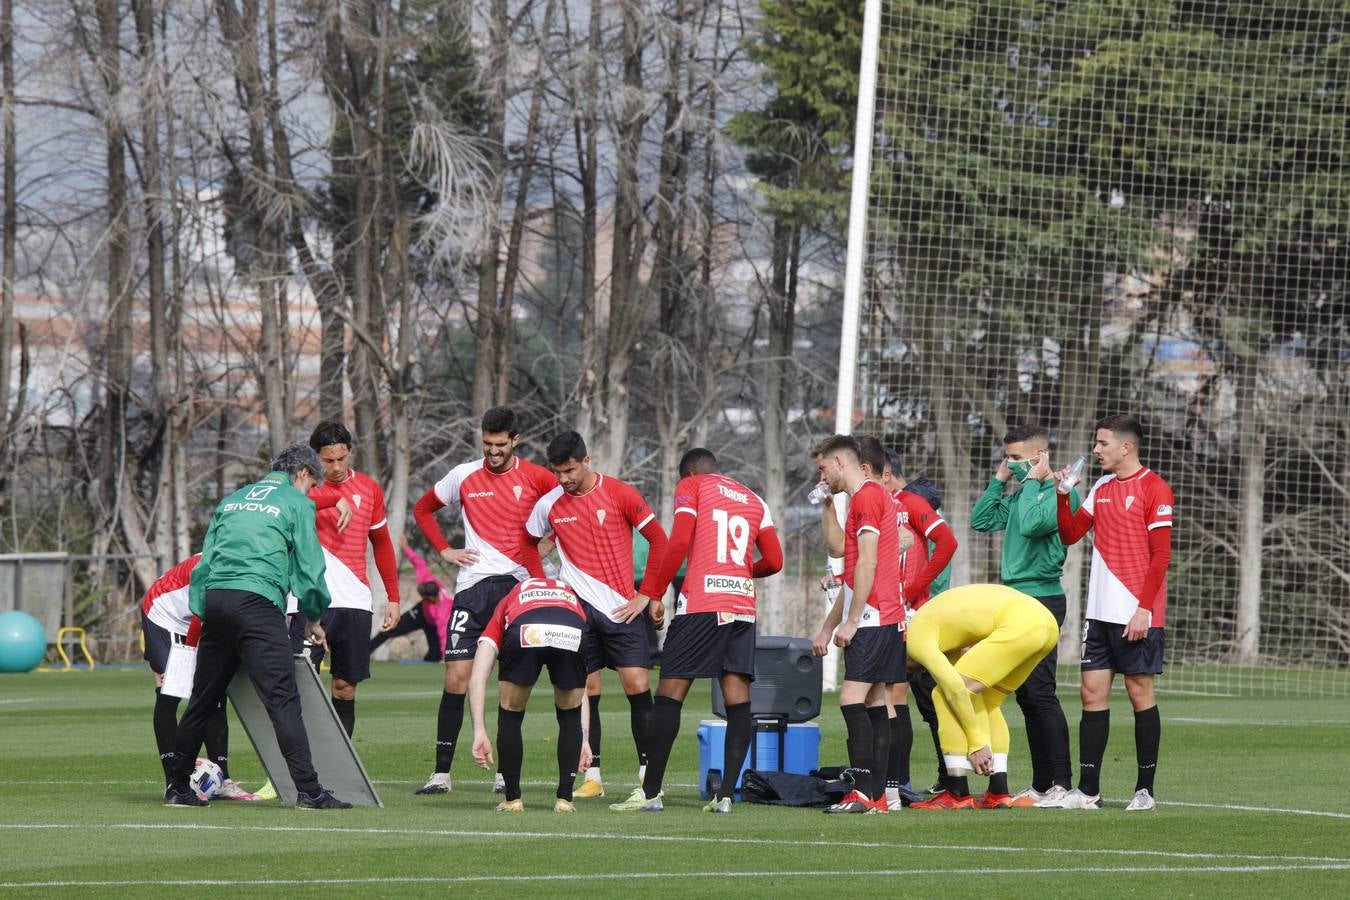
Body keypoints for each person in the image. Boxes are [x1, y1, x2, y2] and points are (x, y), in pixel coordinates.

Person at [163, 443, 349, 809]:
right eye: (312, 486)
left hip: (217, 601)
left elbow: (204, 563)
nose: (311, 493)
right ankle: (309, 792)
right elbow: (311, 572)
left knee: (202, 700)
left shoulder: (233, 500)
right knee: (282, 700)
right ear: (303, 474)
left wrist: (207, 611)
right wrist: (313, 617)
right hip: (258, 603)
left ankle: (178, 788)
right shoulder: (297, 503)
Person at [609, 448, 784, 813]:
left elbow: (680, 541)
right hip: (742, 609)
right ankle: (725, 798)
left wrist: (652, 593)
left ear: (687, 473)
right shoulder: (755, 499)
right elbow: (775, 560)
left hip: (703, 605)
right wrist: (740, 573)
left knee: (670, 693)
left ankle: (651, 793)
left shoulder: (693, 487)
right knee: (737, 699)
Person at [411, 406, 557, 795]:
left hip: (517, 586)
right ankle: (441, 774)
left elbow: (566, 507)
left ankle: (503, 773)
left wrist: (546, 545)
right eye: (487, 444)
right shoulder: (463, 475)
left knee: (508, 683)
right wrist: (444, 549)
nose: (492, 452)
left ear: (515, 441)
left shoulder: (538, 477)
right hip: (473, 586)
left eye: (499, 445)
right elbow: (422, 508)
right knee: (455, 677)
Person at [525, 431, 669, 804]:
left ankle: (647, 776)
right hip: (577, 612)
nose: (564, 479)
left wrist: (647, 594)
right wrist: (542, 581)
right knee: (586, 691)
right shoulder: (550, 504)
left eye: (569, 470)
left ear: (586, 461)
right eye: (557, 472)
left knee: (637, 685)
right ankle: (593, 775)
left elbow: (660, 540)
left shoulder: (621, 493)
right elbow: (530, 543)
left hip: (622, 608)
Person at [1042, 414, 1173, 811]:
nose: (1096, 450)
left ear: (1125, 447)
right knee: (1091, 694)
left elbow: (1161, 555)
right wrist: (1064, 494)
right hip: (1099, 614)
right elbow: (1069, 534)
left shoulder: (1154, 488)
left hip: (1136, 612)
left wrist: (1144, 609)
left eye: (1102, 444)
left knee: (1139, 693)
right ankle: (1088, 790)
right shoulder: (1100, 487)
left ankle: (1145, 790)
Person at [970, 425, 1077, 807]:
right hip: (1013, 601)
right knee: (1028, 696)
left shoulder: (1060, 493)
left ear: (1039, 457)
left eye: (1017, 459)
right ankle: (1041, 783)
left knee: (1041, 692)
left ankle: (1062, 784)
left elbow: (1034, 524)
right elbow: (981, 520)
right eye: (1008, 458)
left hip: (1042, 599)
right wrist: (999, 480)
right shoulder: (1019, 494)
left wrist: (1032, 481)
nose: (1011, 465)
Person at [810, 434, 904, 815]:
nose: (821, 476)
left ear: (839, 463)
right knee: (875, 701)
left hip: (874, 617)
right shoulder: (869, 497)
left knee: (851, 699)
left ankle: (863, 793)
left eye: (822, 468)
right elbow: (850, 570)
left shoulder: (866, 496)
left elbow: (866, 563)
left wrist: (851, 621)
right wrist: (828, 625)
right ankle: (877, 796)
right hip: (884, 617)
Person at [905, 584, 1060, 810]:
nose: (922, 671)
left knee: (943, 693)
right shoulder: (935, 626)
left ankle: (956, 794)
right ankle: (998, 792)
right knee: (987, 700)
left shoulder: (914, 640)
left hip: (1021, 623)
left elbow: (956, 689)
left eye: (914, 669)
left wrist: (976, 743)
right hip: (1046, 624)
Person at [873, 442, 957, 809]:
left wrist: (916, 588)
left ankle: (904, 782)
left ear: (885, 475)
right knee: (899, 696)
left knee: (902, 696)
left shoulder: (908, 504)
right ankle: (899, 782)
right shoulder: (883, 508)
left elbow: (947, 543)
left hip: (914, 616)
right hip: (895, 613)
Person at [306, 422, 402, 737]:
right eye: (327, 461)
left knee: (346, 687)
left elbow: (383, 543)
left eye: (340, 459)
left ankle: (336, 772)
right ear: (315, 457)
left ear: (349, 452)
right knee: (299, 683)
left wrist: (393, 596)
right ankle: (287, 775)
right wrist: (332, 499)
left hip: (355, 600)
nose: (335, 467)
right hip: (313, 598)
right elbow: (292, 504)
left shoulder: (369, 488)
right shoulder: (305, 486)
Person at [141, 554, 260, 800]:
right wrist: (190, 658)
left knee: (214, 693)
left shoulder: (254, 561)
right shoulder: (215, 564)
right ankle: (174, 783)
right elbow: (199, 613)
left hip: (201, 619)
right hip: (165, 615)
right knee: (170, 693)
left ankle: (223, 781)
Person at [468, 576, 591, 813]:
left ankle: (512, 799)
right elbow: (581, 686)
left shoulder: (508, 598)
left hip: (526, 627)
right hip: (572, 627)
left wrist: (479, 731)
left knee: (511, 711)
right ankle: (565, 799)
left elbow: (477, 677)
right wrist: (584, 738)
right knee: (570, 714)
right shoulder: (569, 594)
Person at [369, 541, 452, 662]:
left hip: (433, 624)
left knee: (435, 656)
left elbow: (444, 634)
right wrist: (406, 547)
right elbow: (418, 563)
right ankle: (364, 653)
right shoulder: (427, 579)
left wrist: (446, 657)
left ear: (431, 598)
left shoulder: (443, 611)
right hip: (420, 613)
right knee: (390, 629)